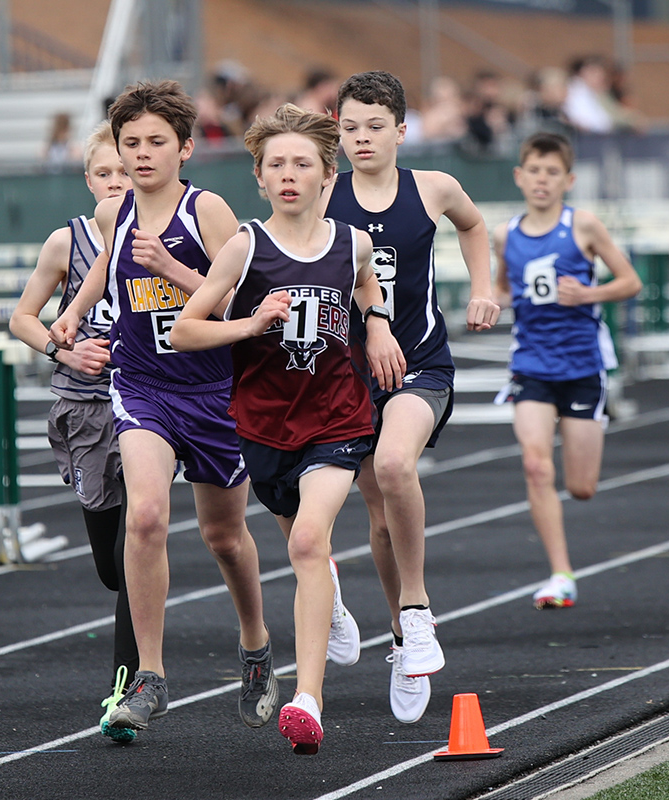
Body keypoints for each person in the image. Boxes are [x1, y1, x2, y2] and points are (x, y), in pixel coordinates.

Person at [170, 103, 404, 755]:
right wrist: (249, 325)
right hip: (265, 426)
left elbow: (365, 285)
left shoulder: (351, 242)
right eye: (278, 164)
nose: (290, 174)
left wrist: (378, 323)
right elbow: (185, 329)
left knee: (306, 541)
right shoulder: (246, 248)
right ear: (261, 178)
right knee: (302, 544)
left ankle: (307, 699)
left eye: (303, 163)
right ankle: (325, 603)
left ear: (327, 174)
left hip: (338, 419)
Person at [47, 80, 277, 738]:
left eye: (154, 143)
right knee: (144, 516)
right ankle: (150, 675)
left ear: (184, 149)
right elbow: (103, 271)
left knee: (224, 539)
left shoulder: (207, 211)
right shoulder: (120, 212)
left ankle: (256, 648)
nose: (140, 156)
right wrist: (72, 313)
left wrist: (174, 270)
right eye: (129, 144)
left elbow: (245, 302)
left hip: (212, 391)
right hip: (143, 385)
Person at [322, 69, 501, 724]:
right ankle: (400, 637)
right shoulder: (321, 195)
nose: (362, 138)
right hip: (347, 375)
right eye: (350, 128)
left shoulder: (432, 188)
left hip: (420, 363)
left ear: (401, 130)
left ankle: (418, 609)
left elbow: (474, 226)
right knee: (377, 517)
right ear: (336, 134)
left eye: (375, 126)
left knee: (397, 466)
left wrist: (484, 286)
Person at [10, 121, 138, 739]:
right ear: (88, 179)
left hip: (144, 407)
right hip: (83, 411)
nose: (117, 183)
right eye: (104, 173)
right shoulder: (67, 242)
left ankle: (127, 689)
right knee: (111, 568)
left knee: (135, 547)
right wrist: (63, 352)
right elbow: (23, 317)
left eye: (126, 171)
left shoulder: (160, 234)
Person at [493, 131, 642, 608]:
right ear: (519, 176)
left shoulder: (585, 227)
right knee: (536, 466)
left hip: (581, 364)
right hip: (531, 364)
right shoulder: (506, 234)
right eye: (534, 170)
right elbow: (500, 288)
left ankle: (597, 423)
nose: (542, 180)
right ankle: (561, 573)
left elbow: (630, 281)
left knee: (581, 487)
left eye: (552, 172)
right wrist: (487, 304)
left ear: (568, 180)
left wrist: (588, 293)